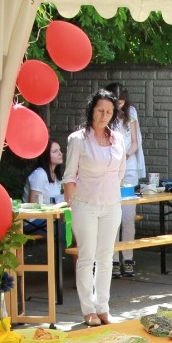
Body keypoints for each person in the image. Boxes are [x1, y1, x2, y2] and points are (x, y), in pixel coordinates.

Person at [63, 88, 126, 326]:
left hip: (111, 205)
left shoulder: (118, 139)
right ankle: (88, 309)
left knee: (106, 257)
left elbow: (120, 173)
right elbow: (69, 176)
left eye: (109, 112)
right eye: (100, 110)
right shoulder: (78, 139)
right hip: (85, 205)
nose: (104, 116)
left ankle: (103, 308)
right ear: (92, 110)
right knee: (87, 257)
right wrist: (71, 206)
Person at [106, 82, 144, 278]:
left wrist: (126, 155)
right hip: (110, 168)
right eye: (116, 101)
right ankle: (113, 260)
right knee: (113, 217)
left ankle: (128, 258)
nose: (118, 105)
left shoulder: (131, 113)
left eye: (121, 102)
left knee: (128, 217)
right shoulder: (104, 113)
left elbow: (135, 142)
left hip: (128, 167)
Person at [25, 139, 65, 204]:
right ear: (46, 155)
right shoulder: (39, 174)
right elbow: (34, 205)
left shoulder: (56, 176)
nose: (60, 153)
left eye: (60, 150)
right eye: (55, 151)